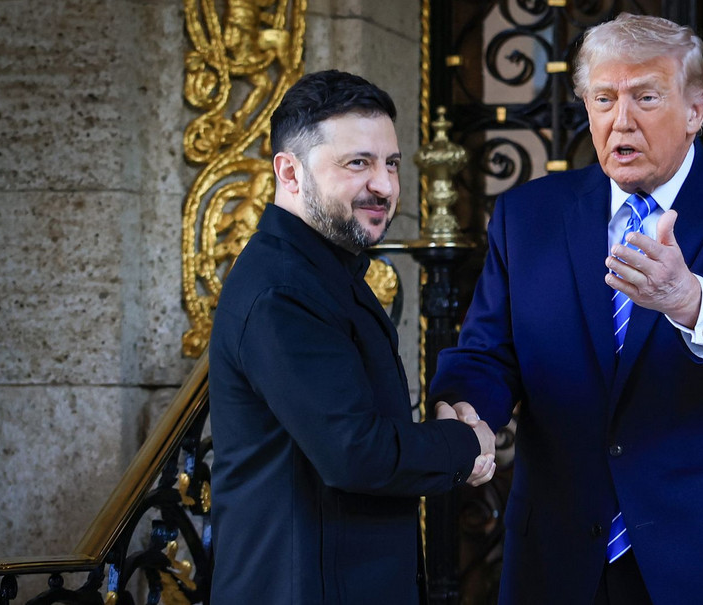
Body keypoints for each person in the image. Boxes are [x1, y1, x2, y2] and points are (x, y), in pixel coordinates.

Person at [430, 14, 703, 605]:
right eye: (604, 98)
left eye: (646, 97)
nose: (621, 119)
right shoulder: (527, 215)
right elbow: (489, 351)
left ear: (695, 110)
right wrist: (468, 412)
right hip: (564, 556)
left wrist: (687, 298)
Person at [209, 70, 496, 605]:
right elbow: (356, 453)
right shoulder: (282, 290)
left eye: (391, 163)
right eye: (358, 163)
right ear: (289, 173)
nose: (385, 185)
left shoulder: (323, 270)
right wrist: (467, 444)